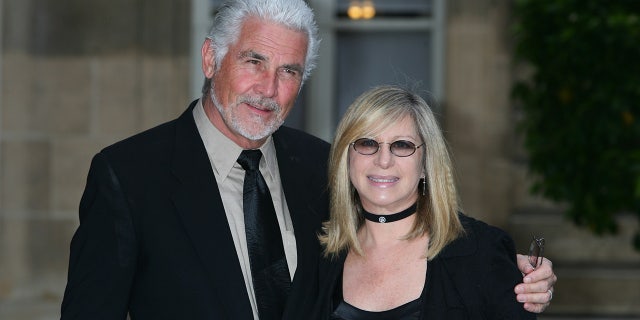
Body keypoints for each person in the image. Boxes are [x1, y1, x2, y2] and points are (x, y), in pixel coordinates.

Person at [60, 0, 555, 319]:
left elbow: (406, 218)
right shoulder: (128, 176)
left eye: (289, 70)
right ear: (211, 59)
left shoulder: (319, 167)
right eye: (253, 61)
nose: (269, 88)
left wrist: (510, 273)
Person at [309, 85, 542, 319]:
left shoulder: (483, 252)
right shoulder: (320, 258)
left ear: (425, 165)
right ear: (347, 157)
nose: (383, 160)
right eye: (367, 143)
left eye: (402, 145)